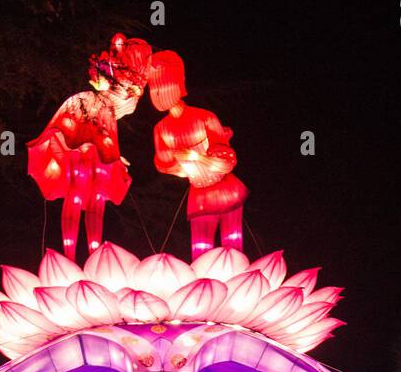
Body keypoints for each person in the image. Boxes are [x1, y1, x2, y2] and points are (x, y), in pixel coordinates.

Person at [27, 34, 152, 261]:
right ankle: (70, 257)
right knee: (77, 190)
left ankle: (94, 257)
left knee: (98, 195)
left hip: (101, 141)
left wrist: (113, 155)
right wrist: (78, 153)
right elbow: (60, 133)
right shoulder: (91, 97)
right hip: (85, 138)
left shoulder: (119, 102)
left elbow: (109, 133)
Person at [148, 50, 248, 259]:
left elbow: (228, 161)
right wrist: (181, 165)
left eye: (163, 85)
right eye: (154, 88)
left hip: (225, 189)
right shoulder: (161, 129)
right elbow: (164, 165)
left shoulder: (204, 117)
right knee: (200, 249)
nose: (159, 93)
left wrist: (197, 158)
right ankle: (204, 286)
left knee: (232, 244)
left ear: (178, 84)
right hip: (198, 193)